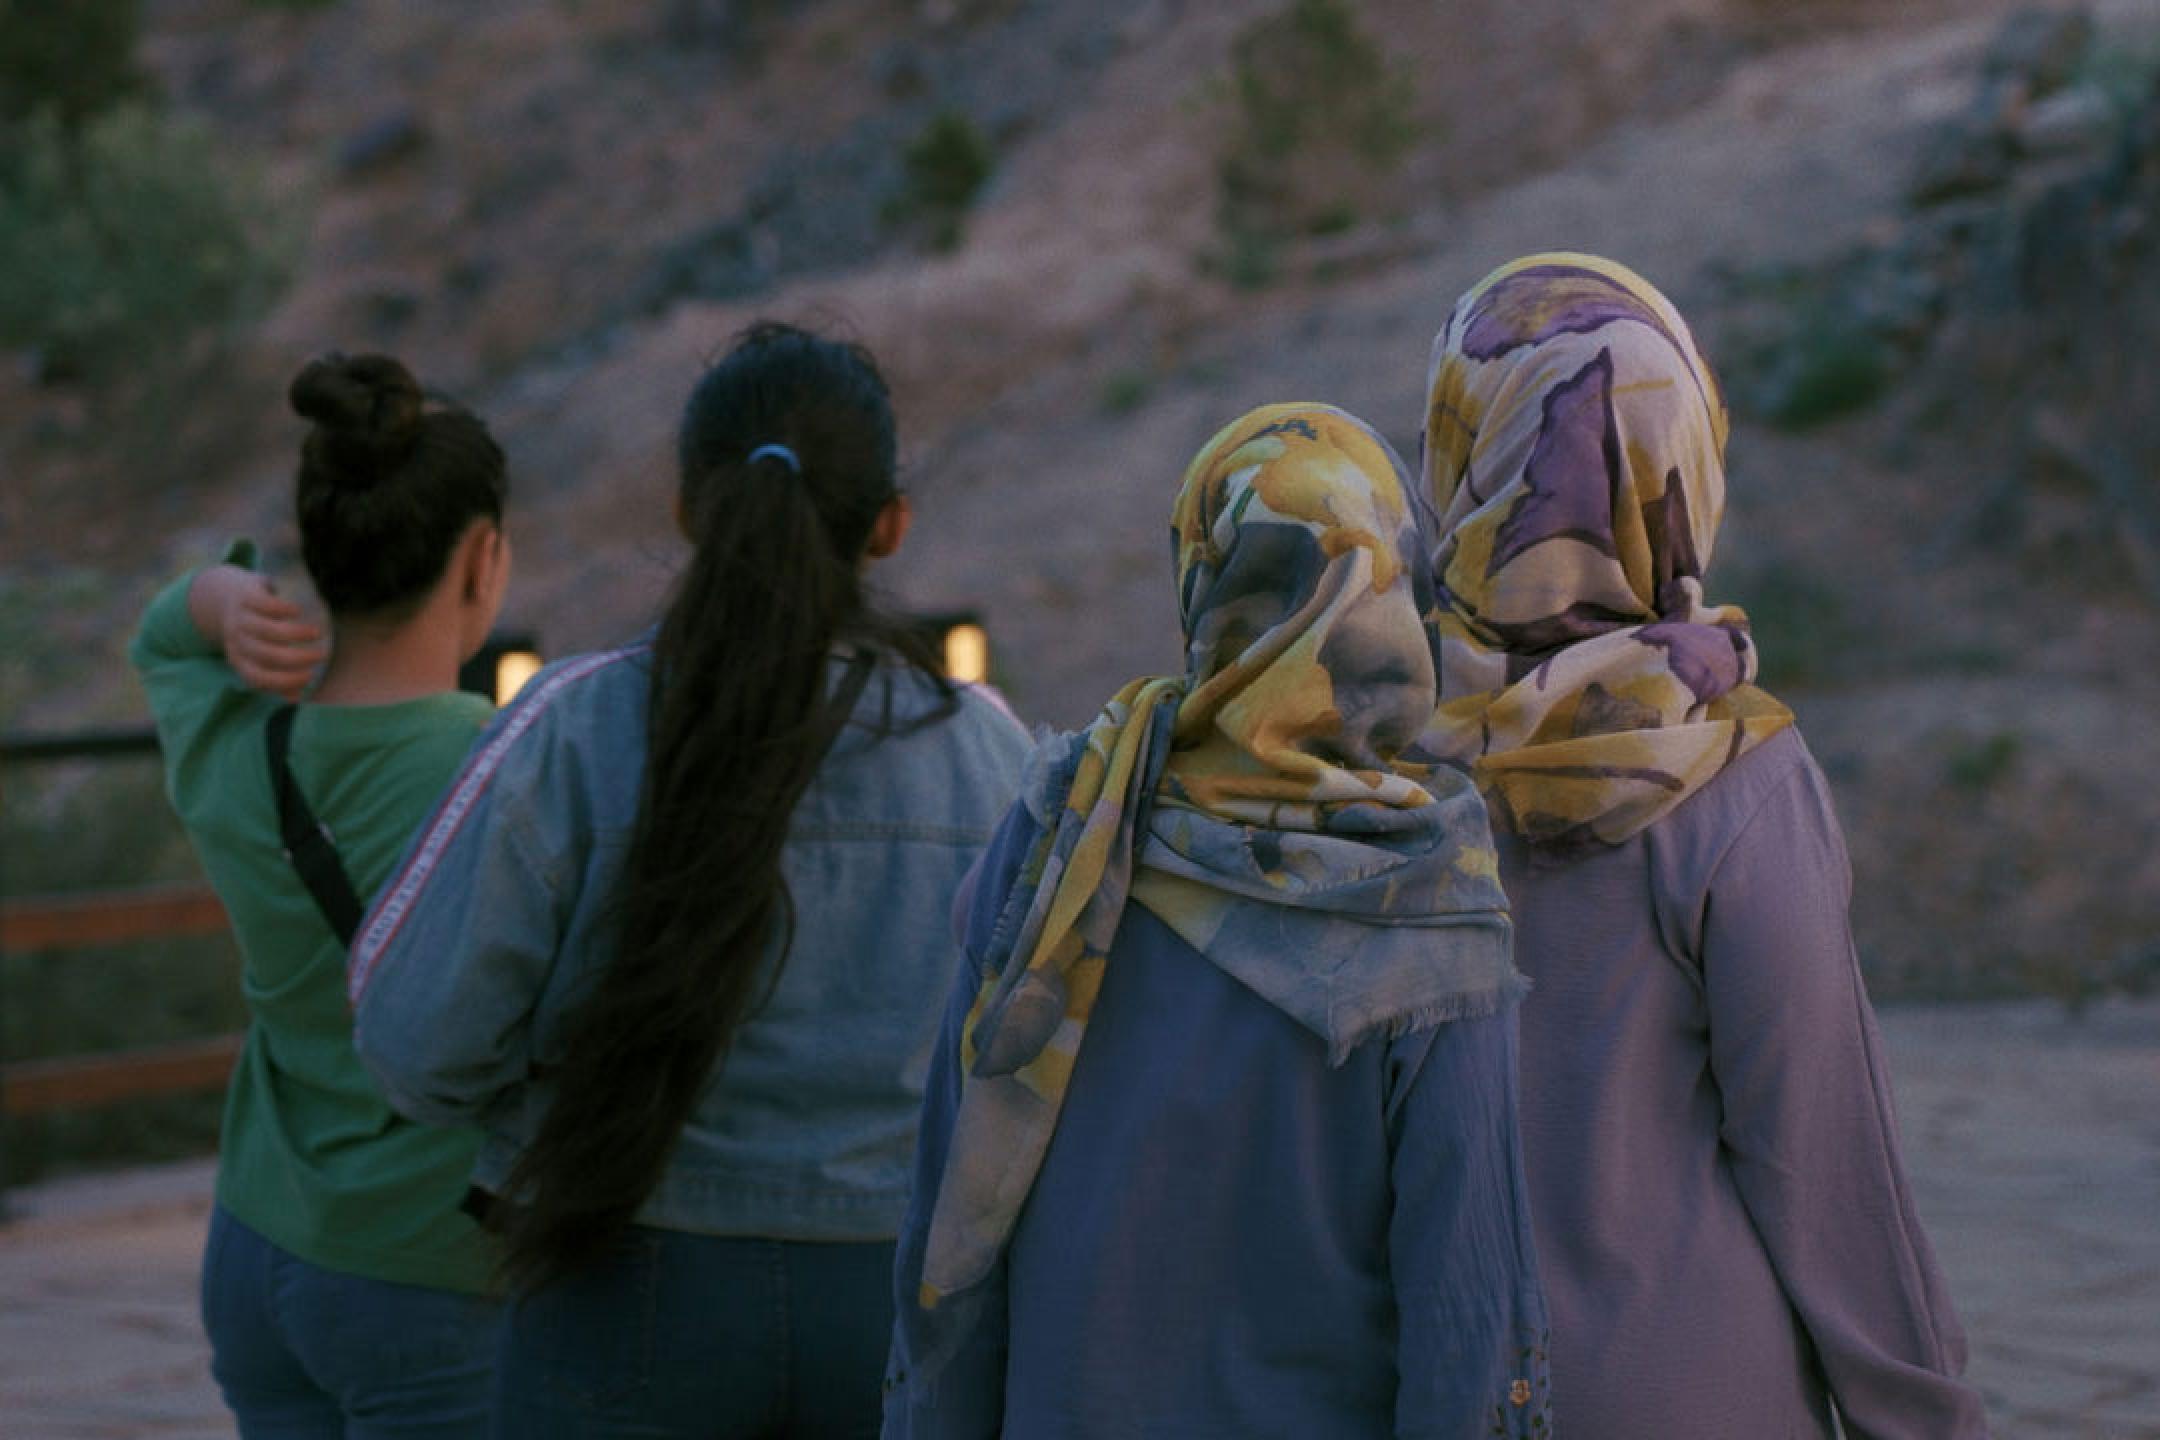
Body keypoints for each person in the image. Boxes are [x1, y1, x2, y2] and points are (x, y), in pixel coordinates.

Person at [345, 322, 1033, 1439]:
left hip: (622, 1287)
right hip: (902, 1311)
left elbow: (409, 1038)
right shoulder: (996, 755)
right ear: (890, 526)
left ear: (685, 511)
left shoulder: (571, 731)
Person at [884, 403, 1552, 1439]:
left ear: (1201, 579)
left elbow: (953, 1213)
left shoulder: (1072, 830)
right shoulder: (1424, 886)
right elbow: (1466, 1305)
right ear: (1397, 590)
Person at [1415, 251, 1991, 1438]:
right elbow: (1825, 1160)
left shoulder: (1367, 751)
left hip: (1424, 1385)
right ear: (1685, 463)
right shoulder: (1732, 780)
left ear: (1464, 454)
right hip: (1689, 1392)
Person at [130, 354, 514, 1437]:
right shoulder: (513, 768)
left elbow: (162, 640)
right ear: (482, 559)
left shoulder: (235, 751)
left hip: (256, 1249)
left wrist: (217, 600)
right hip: (427, 1269)